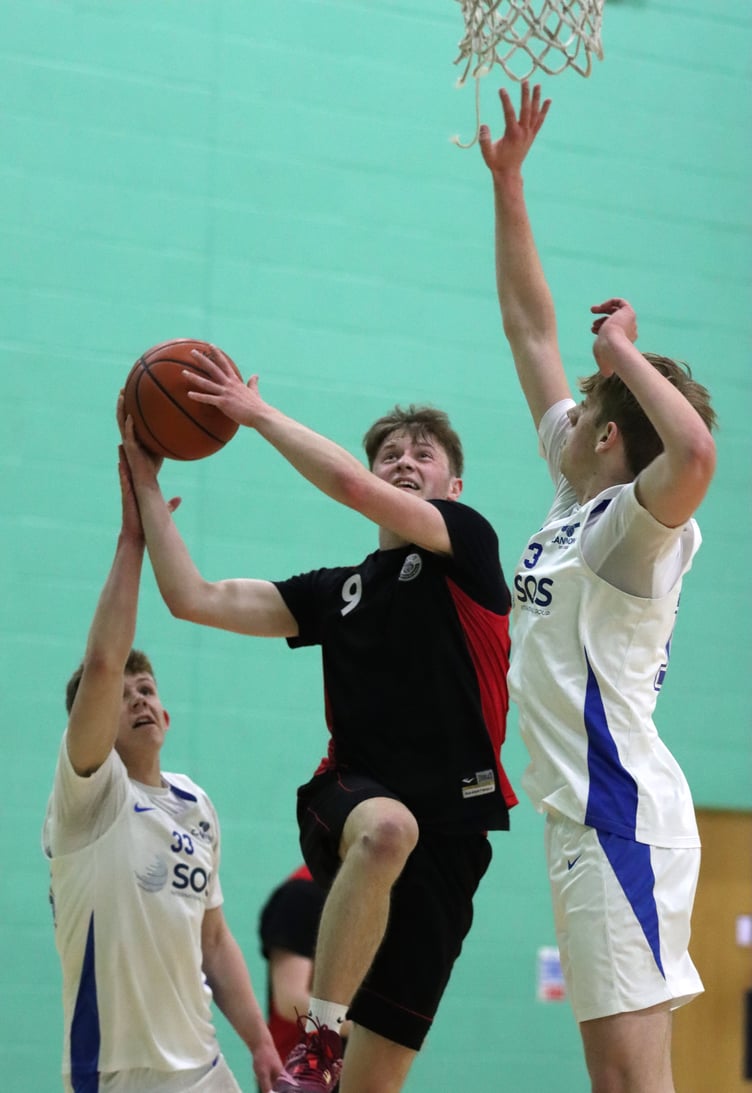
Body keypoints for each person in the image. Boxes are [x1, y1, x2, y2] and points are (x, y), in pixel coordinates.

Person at [120, 376, 516, 1093]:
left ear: (453, 483)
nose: (403, 462)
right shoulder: (338, 590)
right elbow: (194, 597)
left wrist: (257, 414)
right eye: (389, 453)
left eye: (422, 454)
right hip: (352, 794)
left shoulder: (470, 543)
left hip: (455, 833)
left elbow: (350, 487)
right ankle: (321, 1036)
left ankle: (335, 1059)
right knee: (388, 828)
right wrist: (147, 489)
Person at [478, 82, 717, 1092]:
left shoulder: (624, 530)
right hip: (602, 818)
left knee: (623, 1086)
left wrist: (621, 348)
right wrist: (508, 184)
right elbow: (531, 332)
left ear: (611, 434)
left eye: (586, 406)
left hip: (610, 816)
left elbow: (695, 452)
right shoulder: (577, 497)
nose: (562, 410)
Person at [42, 447, 283, 1093]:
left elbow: (215, 939)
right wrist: (133, 540)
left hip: (204, 1063)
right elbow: (102, 662)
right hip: (122, 1072)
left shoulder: (194, 802)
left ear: (167, 710)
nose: (138, 697)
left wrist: (260, 1042)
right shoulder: (89, 794)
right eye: (124, 695)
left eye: (146, 687)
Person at [258, 864, 346, 1090]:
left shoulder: (376, 897)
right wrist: (379, 1028)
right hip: (299, 1077)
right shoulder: (302, 895)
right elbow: (291, 1002)